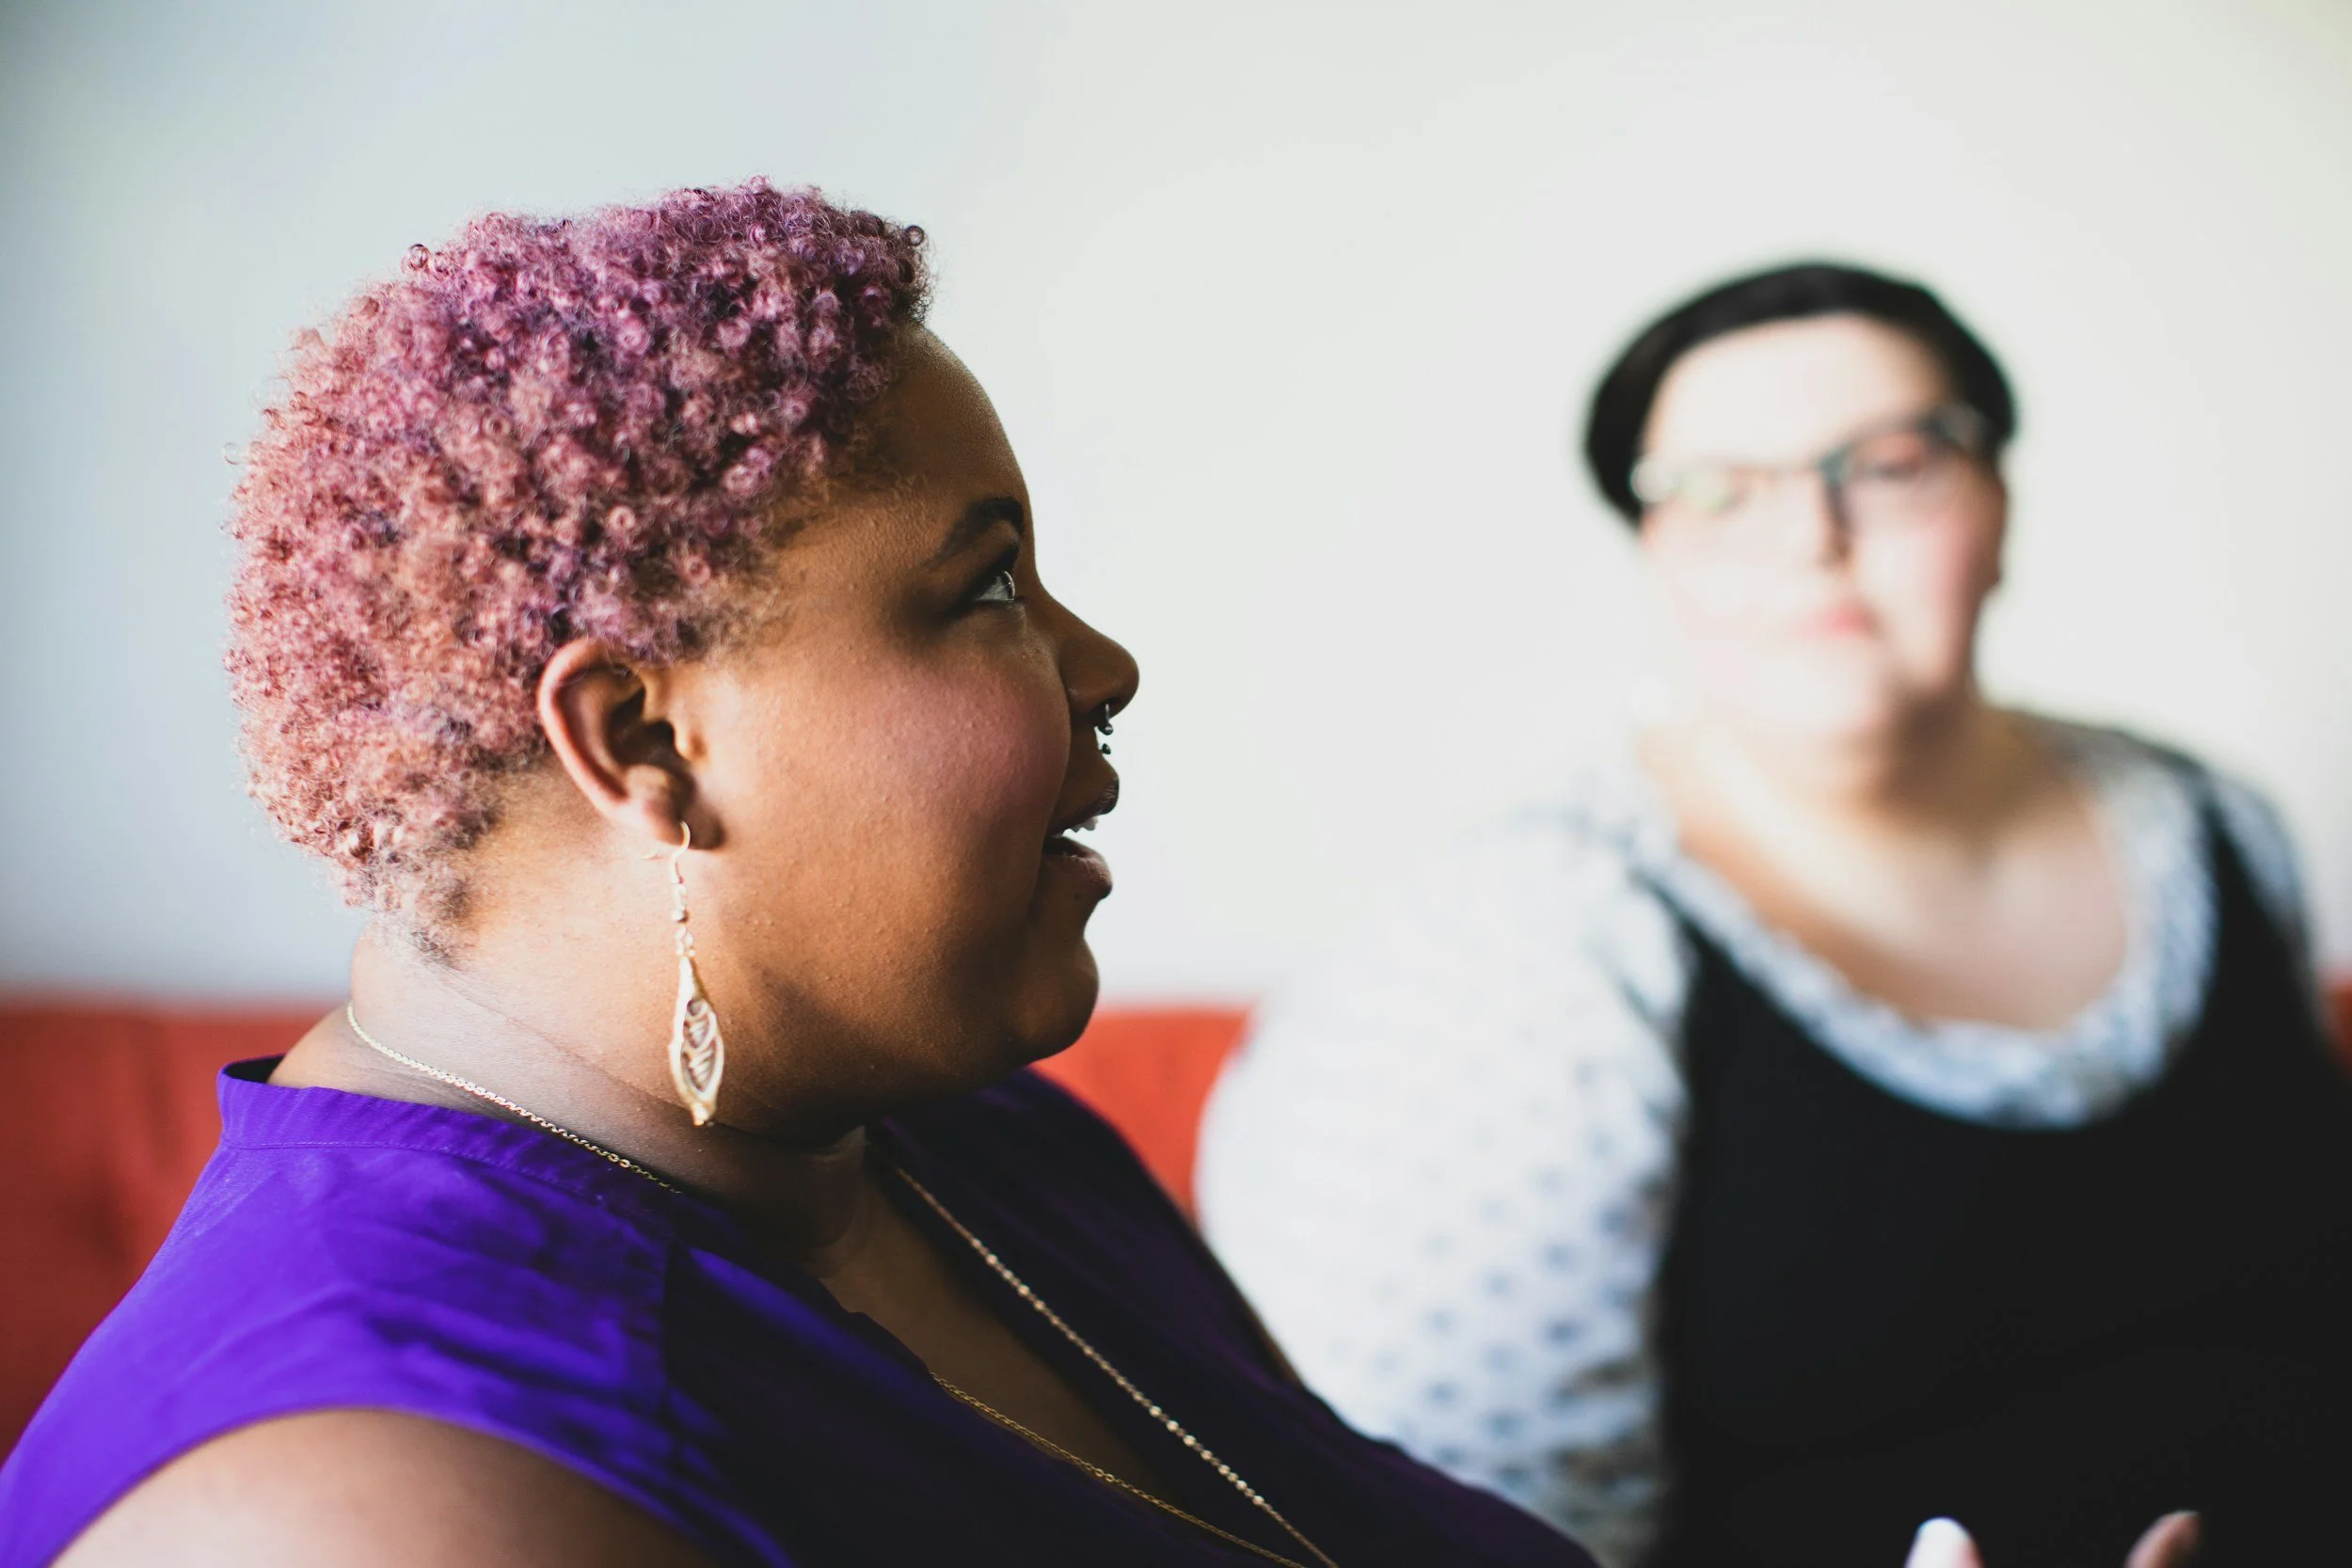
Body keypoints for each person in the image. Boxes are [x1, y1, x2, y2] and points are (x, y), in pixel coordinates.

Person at [0, 182, 1593, 1568]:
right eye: (987, 589)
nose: (1102, 662)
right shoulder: (382, 1505)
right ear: (640, 739)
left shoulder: (963, 1138)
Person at [1197, 262, 2352, 1567]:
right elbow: (1469, 1535)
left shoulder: (2209, 824)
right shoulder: (1523, 949)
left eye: (1895, 462)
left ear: (1999, 502)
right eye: (1719, 493)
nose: (1811, 534)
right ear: (1652, 548)